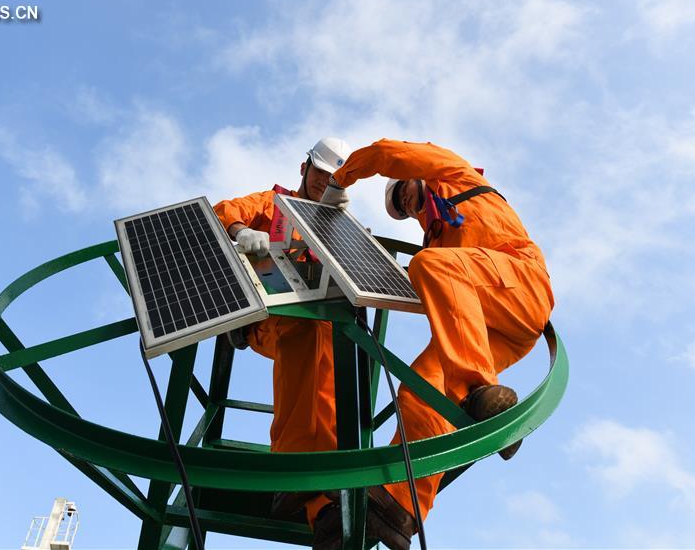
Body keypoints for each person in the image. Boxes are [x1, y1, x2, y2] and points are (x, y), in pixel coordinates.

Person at [318, 139, 555, 550]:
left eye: (402, 191)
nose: (405, 203)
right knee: (420, 391)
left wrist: (341, 180)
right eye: (401, 208)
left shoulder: (453, 174)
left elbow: (390, 151)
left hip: (522, 286)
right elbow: (454, 308)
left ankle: (483, 394)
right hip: (492, 330)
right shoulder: (438, 241)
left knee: (429, 265)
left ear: (416, 176)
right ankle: (397, 506)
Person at [212, 137, 352, 536]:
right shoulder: (272, 201)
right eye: (319, 175)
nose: (321, 185)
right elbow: (226, 212)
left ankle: (322, 507)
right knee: (306, 335)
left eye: (331, 181)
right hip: (265, 320)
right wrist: (242, 231)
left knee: (333, 355)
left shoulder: (336, 223)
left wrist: (344, 234)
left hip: (316, 323)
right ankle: (293, 464)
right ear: (304, 168)